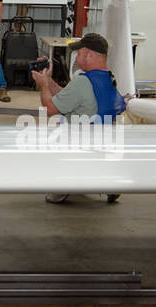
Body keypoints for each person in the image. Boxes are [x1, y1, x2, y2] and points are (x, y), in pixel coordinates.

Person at [31, 32, 127, 204]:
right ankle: (106, 180)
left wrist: (43, 85)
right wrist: (48, 79)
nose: (76, 58)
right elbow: (68, 97)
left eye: (79, 54)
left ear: (89, 55)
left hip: (76, 146)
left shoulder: (82, 82)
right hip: (100, 146)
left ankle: (67, 182)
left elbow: (49, 109)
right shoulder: (107, 78)